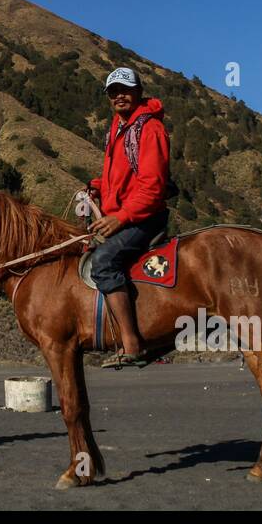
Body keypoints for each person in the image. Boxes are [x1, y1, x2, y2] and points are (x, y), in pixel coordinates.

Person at [87, 67, 173, 369]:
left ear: (138, 92)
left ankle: (131, 343)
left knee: (104, 262)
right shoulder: (119, 127)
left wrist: (120, 218)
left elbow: (152, 187)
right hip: (123, 214)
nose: (119, 95)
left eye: (125, 89)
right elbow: (118, 177)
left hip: (143, 217)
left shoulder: (149, 129)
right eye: (113, 91)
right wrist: (95, 188)